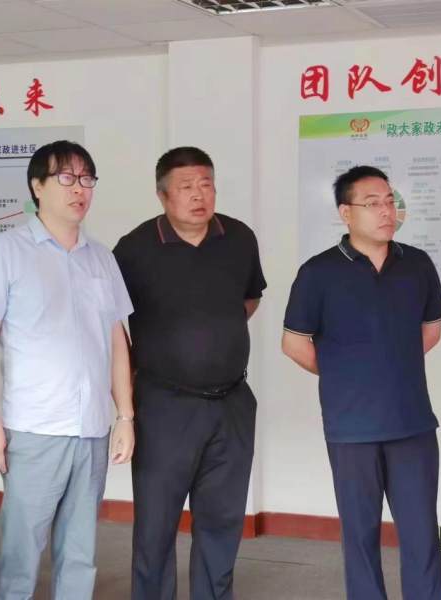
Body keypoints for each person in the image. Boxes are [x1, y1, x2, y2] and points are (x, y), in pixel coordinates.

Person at [0, 140, 135, 600]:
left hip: (91, 430)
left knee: (80, 553)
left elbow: (117, 341)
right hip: (33, 429)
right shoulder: (4, 252)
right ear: (37, 186)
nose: (79, 189)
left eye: (86, 179)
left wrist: (125, 416)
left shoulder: (102, 258)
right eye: (66, 178)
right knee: (21, 552)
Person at [282, 165, 441, 600]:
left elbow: (431, 330)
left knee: (422, 533)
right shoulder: (318, 272)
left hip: (412, 423)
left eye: (390, 201)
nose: (386, 211)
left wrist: (388, 365)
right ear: (346, 213)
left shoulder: (417, 264)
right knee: (359, 536)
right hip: (351, 427)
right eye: (373, 203)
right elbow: (293, 343)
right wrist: (346, 372)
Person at [113, 146, 266, 600]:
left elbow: (249, 299)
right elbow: (113, 326)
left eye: (206, 184)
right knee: (156, 526)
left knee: (222, 521)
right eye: (186, 187)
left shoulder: (239, 238)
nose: (199, 195)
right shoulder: (134, 249)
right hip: (164, 405)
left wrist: (211, 337)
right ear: (163, 195)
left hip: (232, 403)